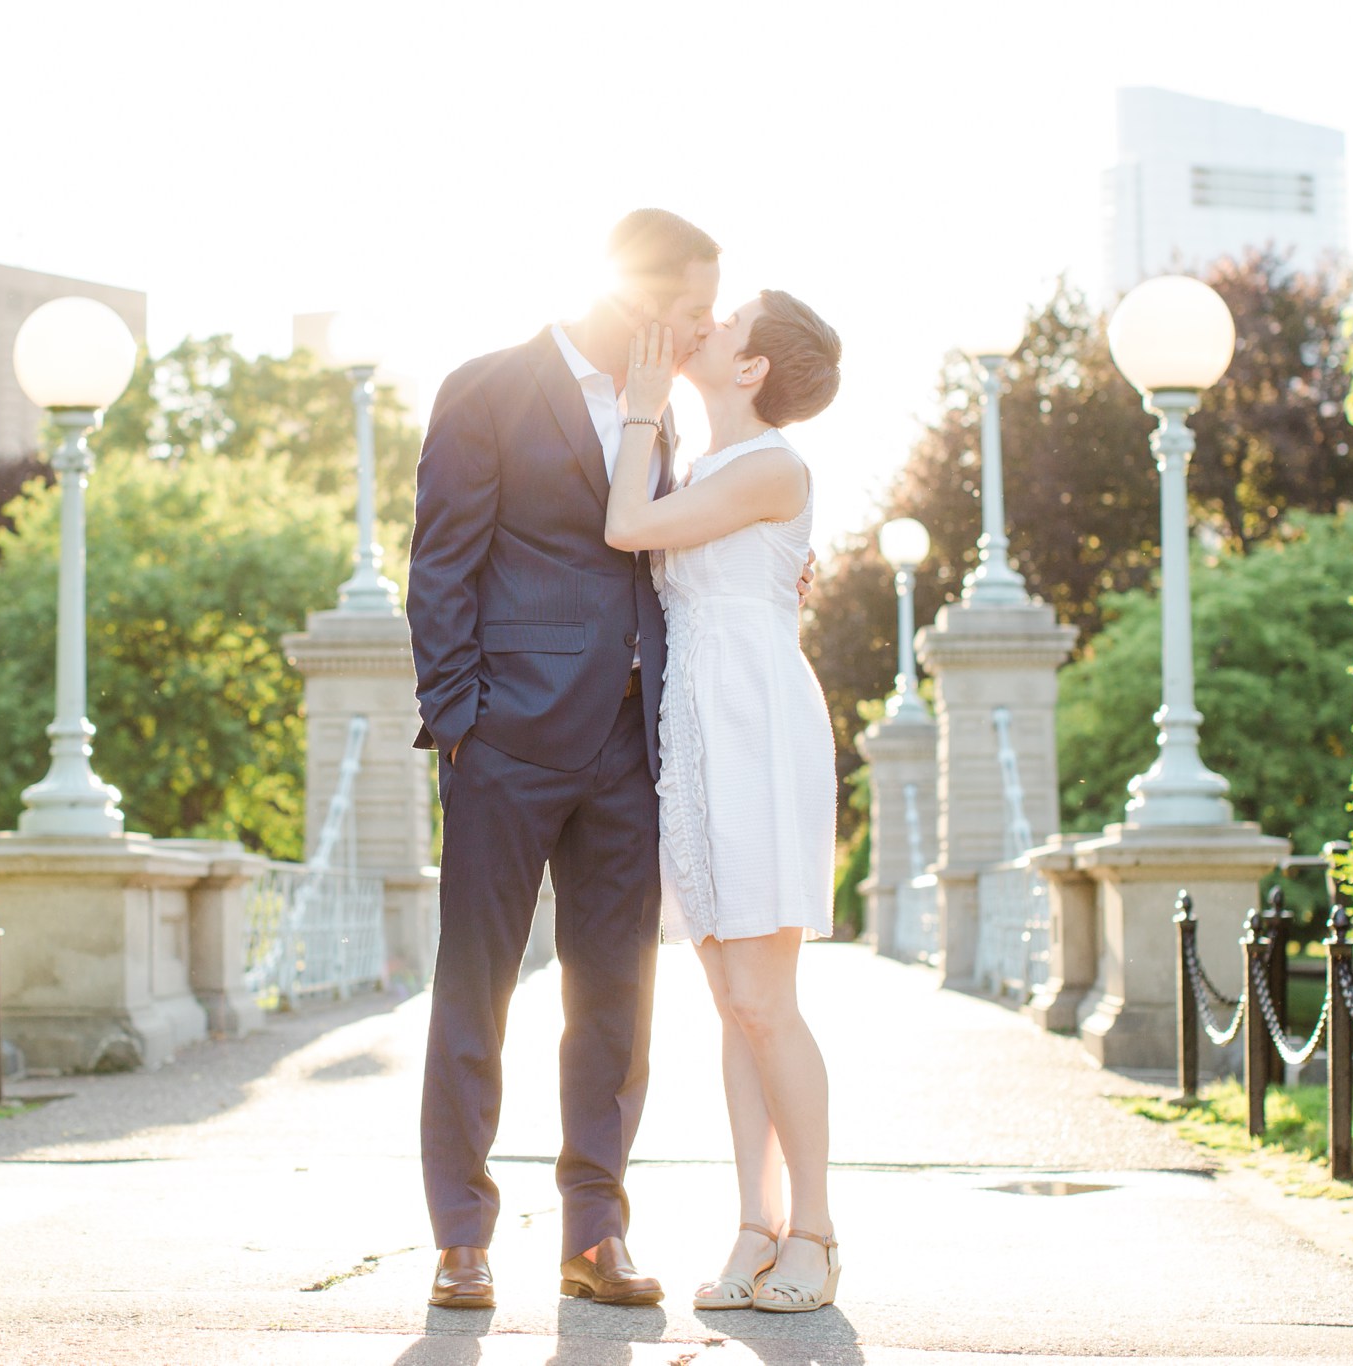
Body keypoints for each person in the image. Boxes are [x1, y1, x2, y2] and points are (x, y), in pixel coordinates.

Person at [406, 209, 812, 1311]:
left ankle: (594, 1231)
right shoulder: (484, 387)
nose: (702, 330)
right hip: (505, 743)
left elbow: (667, 553)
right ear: (638, 298)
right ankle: (460, 1234)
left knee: (615, 1002)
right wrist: (459, 722)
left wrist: (782, 576)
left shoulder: (669, 417)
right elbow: (441, 566)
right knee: (475, 988)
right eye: (691, 310)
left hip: (634, 752)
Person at [602, 291, 844, 1313]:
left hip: (756, 729)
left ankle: (818, 1233)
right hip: (695, 732)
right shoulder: (703, 468)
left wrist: (638, 404)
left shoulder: (774, 466)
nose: (707, 319)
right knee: (729, 1004)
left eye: (730, 316)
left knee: (763, 1000)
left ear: (751, 368)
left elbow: (623, 527)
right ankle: (755, 1221)